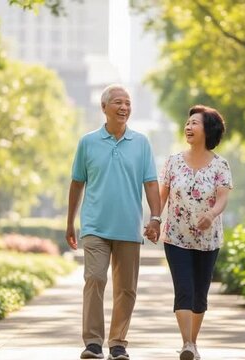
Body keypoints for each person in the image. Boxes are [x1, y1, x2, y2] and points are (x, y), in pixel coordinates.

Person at [66, 84, 161, 360]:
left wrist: (155, 217)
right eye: (118, 102)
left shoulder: (141, 142)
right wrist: (70, 222)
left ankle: (118, 342)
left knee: (126, 289)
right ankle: (93, 343)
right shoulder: (87, 142)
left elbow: (151, 183)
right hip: (95, 225)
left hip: (129, 227)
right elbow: (77, 183)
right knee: (94, 278)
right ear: (104, 107)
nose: (124, 107)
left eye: (128, 103)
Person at [157, 105, 232, 360]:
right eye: (187, 123)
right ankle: (187, 344)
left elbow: (223, 198)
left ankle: (193, 343)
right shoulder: (173, 162)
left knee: (200, 294)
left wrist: (211, 215)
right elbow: (162, 196)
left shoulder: (220, 165)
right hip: (176, 238)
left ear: (208, 130)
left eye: (194, 123)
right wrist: (155, 220)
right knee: (184, 290)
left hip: (208, 241)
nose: (188, 127)